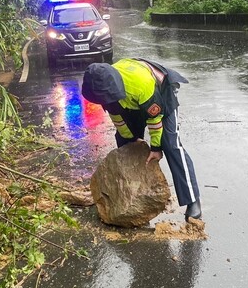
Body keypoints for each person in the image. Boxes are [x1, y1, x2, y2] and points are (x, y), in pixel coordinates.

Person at [81, 58, 202, 221]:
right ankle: (130, 193)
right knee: (125, 142)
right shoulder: (103, 87)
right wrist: (131, 139)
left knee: (171, 144)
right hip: (132, 101)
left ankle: (192, 200)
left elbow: (155, 119)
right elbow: (117, 118)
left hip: (160, 93)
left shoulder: (139, 84)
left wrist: (156, 148)